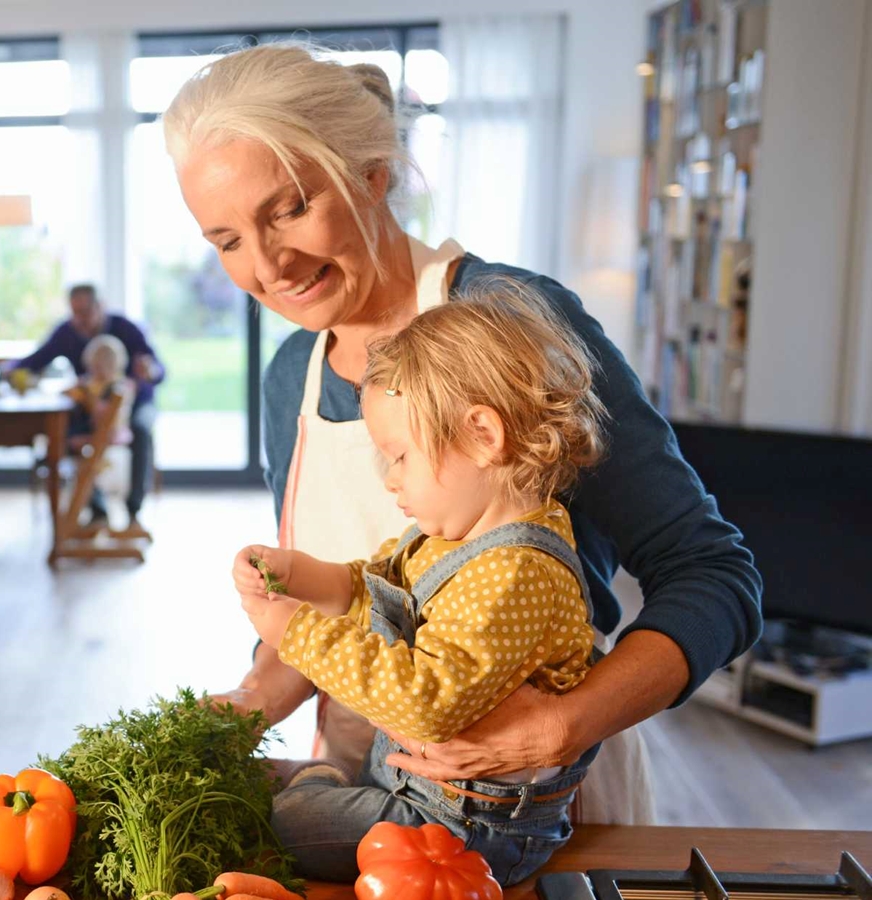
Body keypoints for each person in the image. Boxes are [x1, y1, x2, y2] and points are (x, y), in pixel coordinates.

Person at [164, 43, 761, 824]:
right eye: (228, 239)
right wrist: (245, 701)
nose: (269, 265)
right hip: (360, 799)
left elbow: (714, 573)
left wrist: (563, 726)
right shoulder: (292, 376)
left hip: (535, 805)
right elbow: (345, 606)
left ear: (371, 173)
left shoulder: (512, 323)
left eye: (291, 207)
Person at [236, 288, 605, 884]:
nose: (389, 480)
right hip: (418, 794)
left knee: (269, 823)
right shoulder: (452, 534)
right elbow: (374, 588)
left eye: (399, 456)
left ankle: (318, 789)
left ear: (483, 436)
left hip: (468, 828)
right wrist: (303, 576)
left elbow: (426, 704)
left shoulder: (519, 572)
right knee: (288, 804)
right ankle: (323, 787)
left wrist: (296, 633)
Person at [12, 284, 164, 535]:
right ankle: (97, 510)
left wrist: (150, 371)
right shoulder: (67, 332)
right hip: (93, 407)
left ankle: (133, 512)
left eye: (85, 311)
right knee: (64, 433)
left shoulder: (125, 329)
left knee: (141, 428)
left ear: (99, 306)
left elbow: (158, 369)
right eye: (75, 312)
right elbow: (36, 360)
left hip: (135, 402)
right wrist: (9, 369)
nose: (80, 318)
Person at [65, 336, 138, 523]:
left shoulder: (118, 386)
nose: (97, 371)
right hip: (91, 434)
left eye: (102, 366)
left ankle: (98, 510)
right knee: (79, 461)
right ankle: (96, 509)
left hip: (105, 434)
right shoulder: (90, 383)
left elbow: (105, 417)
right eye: (94, 366)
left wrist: (88, 398)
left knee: (82, 462)